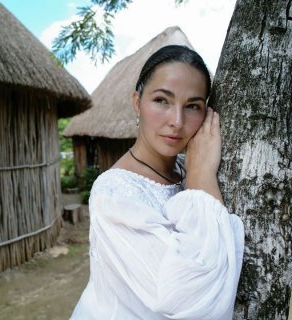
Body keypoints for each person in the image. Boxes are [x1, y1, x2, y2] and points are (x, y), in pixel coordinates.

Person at [70, 45, 244, 320]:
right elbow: (189, 297)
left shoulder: (183, 169)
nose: (176, 121)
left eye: (192, 106)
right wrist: (200, 177)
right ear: (137, 102)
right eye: (162, 100)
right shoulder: (114, 194)